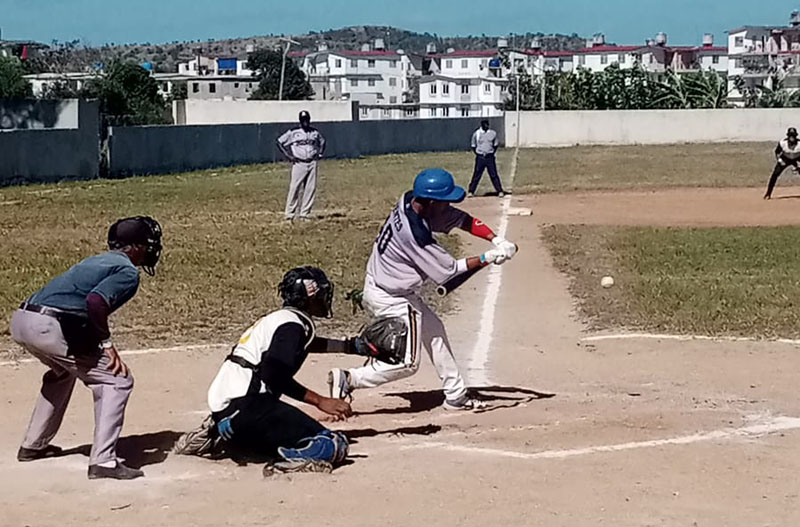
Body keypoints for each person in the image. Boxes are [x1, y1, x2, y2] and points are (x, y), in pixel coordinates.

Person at [327, 168, 518, 411]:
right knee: (408, 363)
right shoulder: (415, 235)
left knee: (434, 331)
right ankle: (350, 379)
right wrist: (489, 257)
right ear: (430, 202)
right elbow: (449, 272)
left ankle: (456, 395)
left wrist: (495, 239)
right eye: (444, 202)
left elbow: (461, 219)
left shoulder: (410, 199)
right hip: (392, 298)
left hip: (383, 284)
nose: (447, 206)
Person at [10, 216, 163, 480]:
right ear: (135, 247)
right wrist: (107, 346)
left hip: (22, 320)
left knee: (62, 373)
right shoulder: (127, 271)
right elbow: (95, 302)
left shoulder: (98, 259)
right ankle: (103, 461)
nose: (151, 250)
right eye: (148, 244)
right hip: (50, 326)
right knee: (117, 379)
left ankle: (33, 445)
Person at [206, 266, 353, 474]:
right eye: (320, 293)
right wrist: (321, 401)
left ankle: (221, 435)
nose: (324, 297)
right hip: (250, 407)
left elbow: (306, 344)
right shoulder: (293, 327)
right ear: (309, 297)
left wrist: (352, 346)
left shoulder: (279, 320)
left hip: (226, 412)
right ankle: (288, 458)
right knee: (333, 444)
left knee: (272, 429)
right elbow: (273, 375)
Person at [277, 111, 327, 221]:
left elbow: (322, 142)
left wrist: (320, 153)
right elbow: (280, 142)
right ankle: (289, 214)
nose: (305, 122)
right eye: (303, 120)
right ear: (300, 121)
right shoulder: (294, 132)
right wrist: (288, 155)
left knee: (310, 188)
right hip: (299, 163)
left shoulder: (315, 132)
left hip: (312, 162)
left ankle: (305, 214)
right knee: (294, 188)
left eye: (307, 120)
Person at [468, 119, 508, 198]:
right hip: (480, 157)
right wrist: (479, 153)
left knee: (493, 174)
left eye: (487, 124)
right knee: (477, 174)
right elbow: (473, 145)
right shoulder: (477, 133)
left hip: (490, 157)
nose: (486, 126)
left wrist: (491, 152)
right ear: (481, 125)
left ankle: (499, 191)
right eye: (484, 125)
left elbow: (495, 145)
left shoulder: (492, 133)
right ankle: (471, 191)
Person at [764, 127, 800, 200]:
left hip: (797, 158)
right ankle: (768, 193)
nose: (792, 138)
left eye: (793, 136)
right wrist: (780, 161)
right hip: (785, 158)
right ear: (788, 136)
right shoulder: (782, 143)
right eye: (790, 136)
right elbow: (777, 152)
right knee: (775, 174)